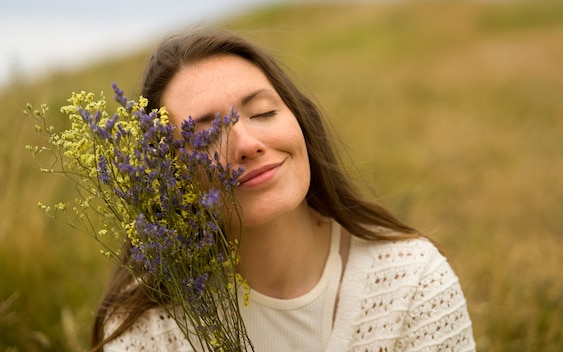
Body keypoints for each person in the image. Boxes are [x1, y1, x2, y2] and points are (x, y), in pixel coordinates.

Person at [91, 30, 476, 352]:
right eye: (204, 136)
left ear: (299, 121)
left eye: (262, 113)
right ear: (168, 176)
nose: (246, 143)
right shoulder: (149, 331)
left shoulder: (411, 282)